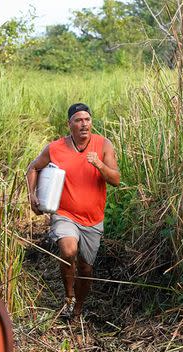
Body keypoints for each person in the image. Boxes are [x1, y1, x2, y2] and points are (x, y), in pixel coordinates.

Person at [26, 103, 120, 319]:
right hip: (65, 213)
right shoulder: (55, 148)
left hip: (93, 219)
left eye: (87, 119)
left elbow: (115, 179)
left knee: (86, 269)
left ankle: (77, 310)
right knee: (68, 251)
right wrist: (32, 195)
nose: (84, 124)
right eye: (78, 120)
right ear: (69, 124)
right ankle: (69, 297)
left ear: (91, 123)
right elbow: (33, 168)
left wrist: (99, 165)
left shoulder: (103, 145)